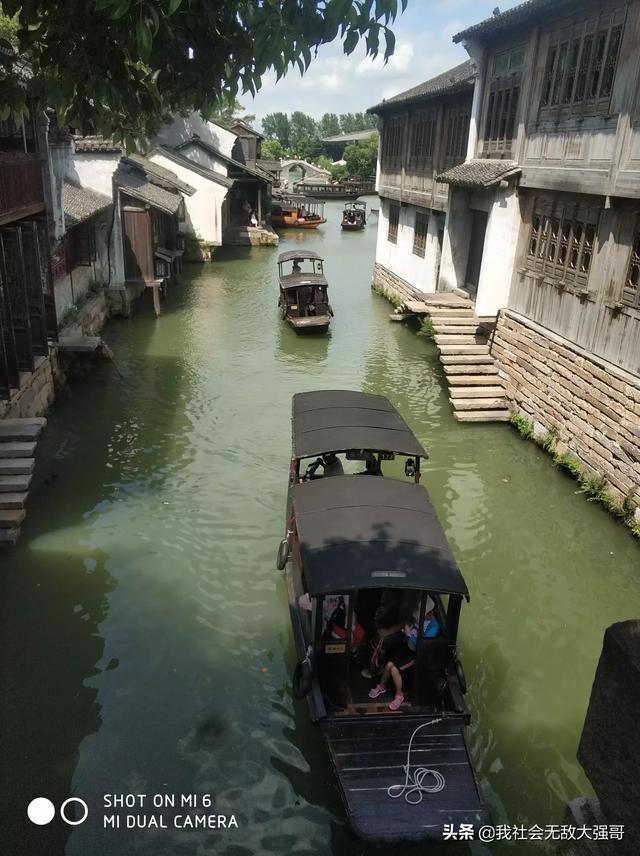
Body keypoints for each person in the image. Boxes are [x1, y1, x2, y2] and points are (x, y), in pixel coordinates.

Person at [368, 596, 440, 710]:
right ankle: (382, 686)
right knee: (388, 665)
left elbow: (421, 646)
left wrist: (409, 634)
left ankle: (399, 695)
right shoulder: (418, 619)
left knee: (393, 669)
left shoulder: (433, 627)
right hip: (406, 647)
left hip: (416, 654)